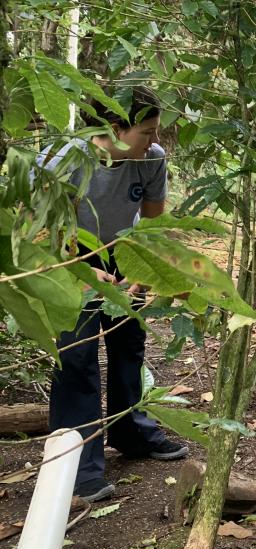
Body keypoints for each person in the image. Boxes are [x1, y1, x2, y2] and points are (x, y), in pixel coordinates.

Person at [37, 86, 187, 503]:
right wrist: (83, 273)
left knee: (129, 346)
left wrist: (144, 273)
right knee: (77, 358)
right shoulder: (60, 162)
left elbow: (153, 225)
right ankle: (78, 467)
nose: (155, 140)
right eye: (147, 131)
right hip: (65, 255)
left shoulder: (151, 160)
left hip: (125, 249)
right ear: (113, 128)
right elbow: (42, 236)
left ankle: (131, 432)